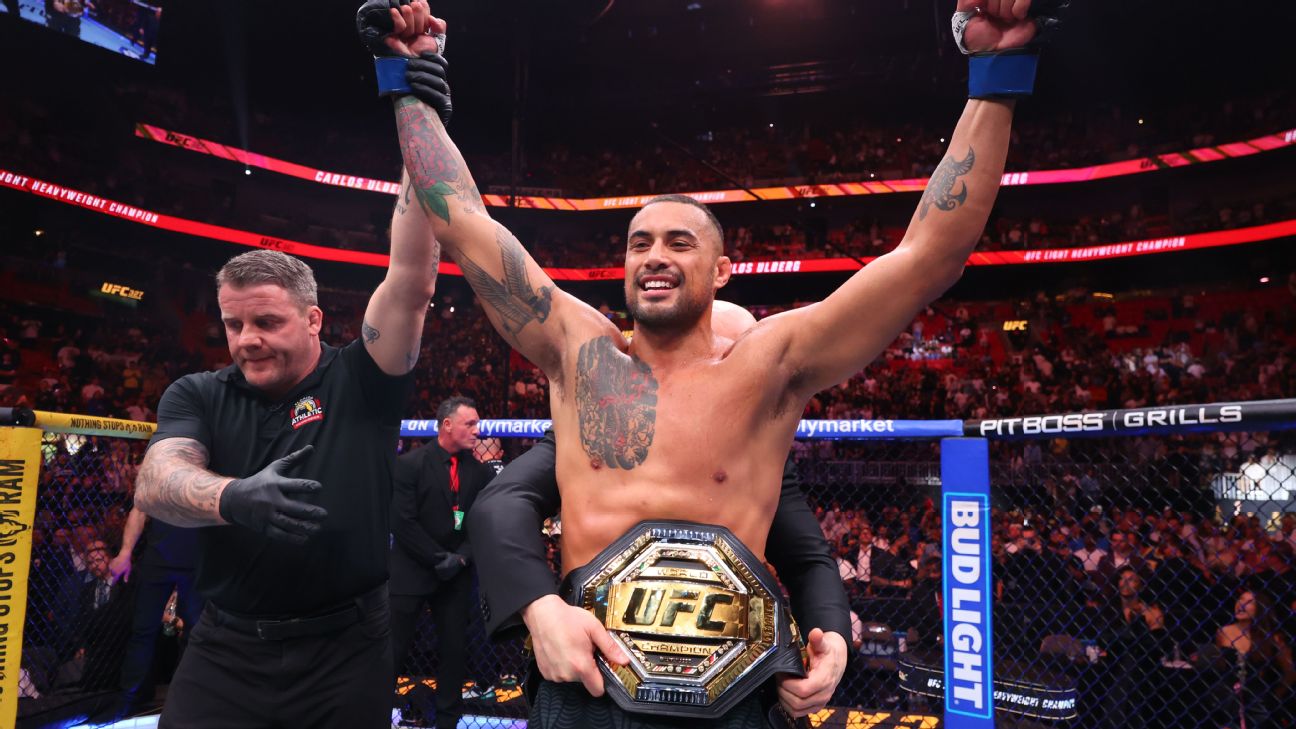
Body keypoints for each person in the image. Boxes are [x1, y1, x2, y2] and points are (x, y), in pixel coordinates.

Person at [368, 0, 1059, 723]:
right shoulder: (579, 353)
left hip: (733, 697)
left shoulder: (769, 369)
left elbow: (928, 256)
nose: (654, 256)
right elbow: (463, 221)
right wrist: (408, 83)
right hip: (591, 690)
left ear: (723, 270)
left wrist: (996, 75)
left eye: (679, 242)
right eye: (639, 243)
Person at [134, 144, 442, 727]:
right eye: (233, 324)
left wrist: (416, 116)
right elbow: (155, 481)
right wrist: (234, 497)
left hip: (347, 648)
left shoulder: (363, 378)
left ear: (312, 319)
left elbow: (410, 280)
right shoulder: (197, 392)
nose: (246, 338)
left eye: (267, 322)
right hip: (225, 646)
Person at [469, 300, 852, 712]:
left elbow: (806, 559)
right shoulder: (600, 428)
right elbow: (503, 502)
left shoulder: (760, 453)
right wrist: (541, 607)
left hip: (732, 693)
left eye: (737, 356)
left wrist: (832, 641)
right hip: (602, 688)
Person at [390, 396, 494, 729]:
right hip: (412, 570)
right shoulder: (410, 464)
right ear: (447, 425)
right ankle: (374, 714)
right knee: (393, 649)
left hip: (456, 574)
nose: (477, 431)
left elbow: (480, 521)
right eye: (470, 424)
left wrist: (461, 557)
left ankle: (448, 721)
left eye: (477, 424)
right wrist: (439, 558)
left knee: (454, 651)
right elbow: (402, 522)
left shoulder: (479, 472)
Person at [108, 505, 203, 717]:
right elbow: (139, 509)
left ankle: (187, 697)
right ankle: (129, 697)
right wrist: (125, 553)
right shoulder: (155, 481)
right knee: (143, 631)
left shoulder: (208, 480)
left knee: (194, 634)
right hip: (159, 558)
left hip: (196, 560)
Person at [1214, 589, 1296, 729]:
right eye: (1240, 599)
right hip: (1229, 699)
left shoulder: (1272, 638)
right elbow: (1220, 667)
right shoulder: (1224, 632)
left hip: (1259, 701)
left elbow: (1290, 673)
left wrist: (1274, 696)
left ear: (1260, 608)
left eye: (1249, 602)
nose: (1241, 604)